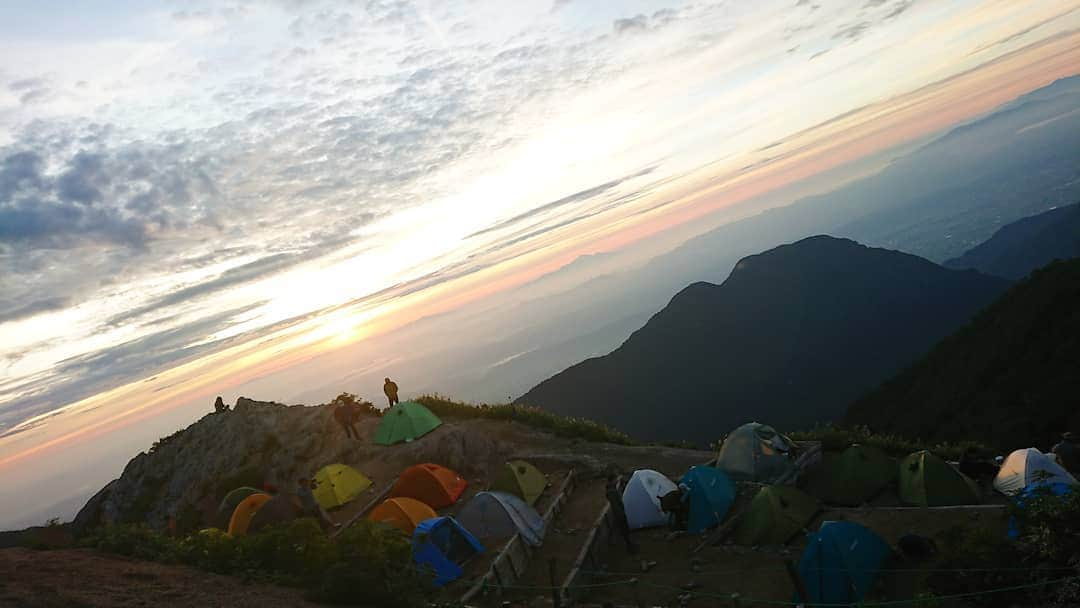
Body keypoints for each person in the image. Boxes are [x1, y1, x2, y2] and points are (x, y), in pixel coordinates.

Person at [605, 472, 638, 554]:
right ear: (612, 480)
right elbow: (616, 505)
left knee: (625, 531)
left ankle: (630, 546)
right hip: (619, 514)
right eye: (615, 479)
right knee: (624, 531)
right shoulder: (611, 492)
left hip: (619, 512)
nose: (617, 480)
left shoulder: (611, 489)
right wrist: (621, 514)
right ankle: (630, 548)